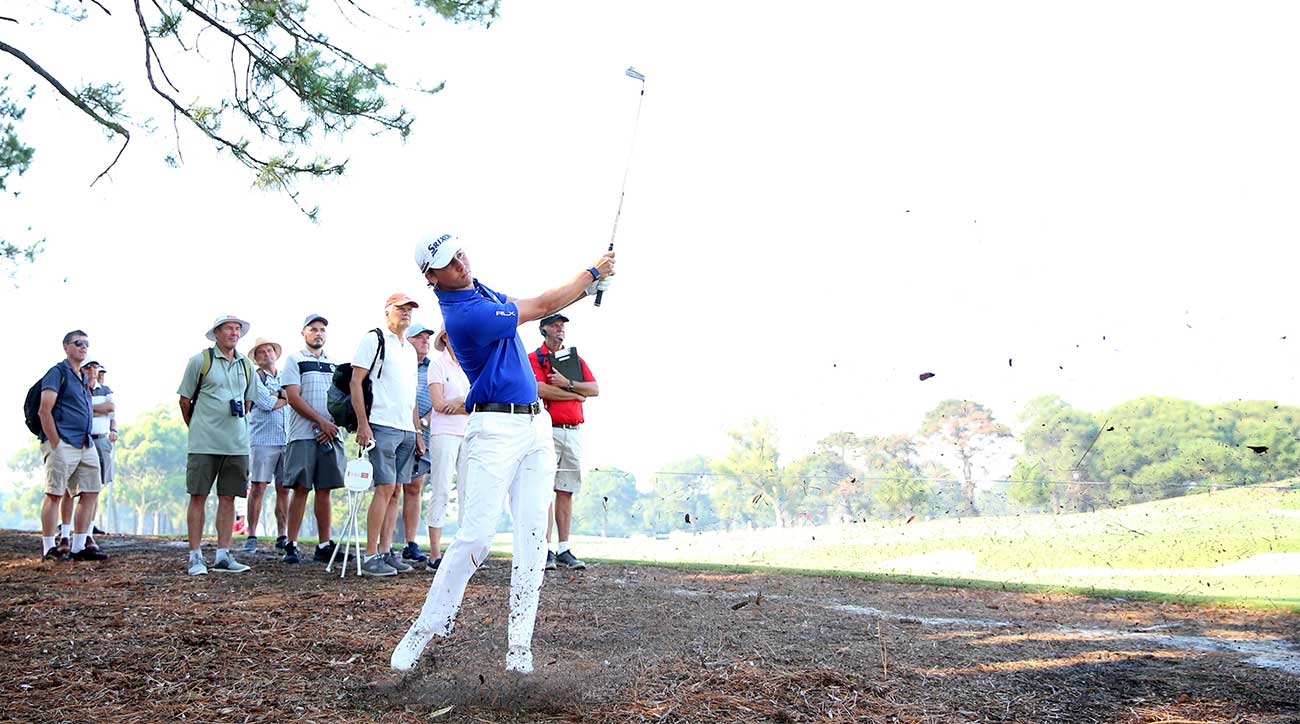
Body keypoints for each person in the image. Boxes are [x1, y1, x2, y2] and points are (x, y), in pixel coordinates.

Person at [391, 231, 613, 674]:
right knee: (475, 538)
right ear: (431, 276)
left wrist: (588, 287)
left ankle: (519, 652)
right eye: (448, 262)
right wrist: (592, 272)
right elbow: (541, 307)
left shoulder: (480, 289)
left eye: (459, 252)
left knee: (533, 539)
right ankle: (424, 629)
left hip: (535, 426)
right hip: (493, 429)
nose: (460, 263)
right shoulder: (465, 315)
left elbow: (537, 299)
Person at [351, 294, 424, 577]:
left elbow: (411, 395)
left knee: (395, 490)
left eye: (409, 309)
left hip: (406, 428)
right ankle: (370, 555)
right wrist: (362, 424)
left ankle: (385, 551)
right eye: (400, 309)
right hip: (381, 424)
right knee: (384, 488)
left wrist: (417, 430)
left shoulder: (409, 350)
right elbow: (356, 381)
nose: (405, 313)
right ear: (387, 312)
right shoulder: (374, 339)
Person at [178, 315, 256, 575]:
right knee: (198, 496)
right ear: (217, 333)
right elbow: (185, 401)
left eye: (237, 329)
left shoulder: (246, 364)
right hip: (204, 442)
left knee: (229, 498)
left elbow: (248, 402)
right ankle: (195, 555)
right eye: (229, 329)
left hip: (236, 444)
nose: (234, 333)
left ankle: (223, 554)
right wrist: (198, 427)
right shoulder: (200, 361)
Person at [530, 313, 599, 571]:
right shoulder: (534, 358)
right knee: (545, 488)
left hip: (573, 431)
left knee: (566, 489)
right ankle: (545, 548)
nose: (560, 329)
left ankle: (564, 548)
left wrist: (569, 384)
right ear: (544, 329)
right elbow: (539, 388)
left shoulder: (573, 359)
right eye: (555, 325)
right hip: (548, 429)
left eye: (562, 326)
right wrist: (576, 394)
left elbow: (594, 389)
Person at [35, 331, 109, 562]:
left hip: (84, 443)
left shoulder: (81, 376)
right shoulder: (57, 373)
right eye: (78, 343)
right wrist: (55, 443)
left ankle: (79, 545)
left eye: (86, 344)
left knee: (91, 491)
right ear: (66, 347)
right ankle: (49, 547)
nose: (83, 347)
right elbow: (44, 410)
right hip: (63, 442)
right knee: (55, 493)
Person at [279, 314, 346, 564]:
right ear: (303, 333)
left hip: (328, 434)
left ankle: (324, 544)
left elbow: (342, 399)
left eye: (322, 330)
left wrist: (332, 424)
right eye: (313, 329)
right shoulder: (294, 359)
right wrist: (321, 422)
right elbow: (293, 398)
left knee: (324, 489)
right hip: (303, 434)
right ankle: (291, 543)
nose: (318, 333)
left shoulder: (335, 364)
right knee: (301, 488)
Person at [423, 326, 471, 572]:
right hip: (444, 433)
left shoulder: (470, 365)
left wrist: (460, 404)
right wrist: (464, 404)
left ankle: (464, 556)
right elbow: (438, 404)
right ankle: (434, 553)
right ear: (445, 337)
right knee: (441, 489)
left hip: (469, 434)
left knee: (467, 492)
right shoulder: (438, 365)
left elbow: (479, 403)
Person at [245, 336, 290, 553]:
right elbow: (267, 403)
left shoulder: (285, 377)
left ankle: (283, 534)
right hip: (263, 440)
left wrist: (282, 395)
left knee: (284, 489)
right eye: (261, 352)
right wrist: (285, 397)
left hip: (286, 439)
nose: (266, 355)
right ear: (256, 358)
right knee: (258, 487)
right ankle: (252, 533)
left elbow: (293, 396)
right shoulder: (255, 379)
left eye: (269, 350)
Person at [399, 322, 435, 566]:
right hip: (399, 428)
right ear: (408, 341)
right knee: (390, 488)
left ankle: (411, 542)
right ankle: (383, 546)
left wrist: (422, 423)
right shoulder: (399, 364)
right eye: (419, 337)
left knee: (414, 487)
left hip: (426, 431)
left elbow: (439, 397)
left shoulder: (433, 368)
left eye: (427, 338)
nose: (425, 341)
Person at [87, 361, 117, 539]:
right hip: (84, 440)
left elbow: (111, 410)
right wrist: (98, 410)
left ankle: (90, 526)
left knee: (96, 485)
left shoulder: (105, 390)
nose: (100, 374)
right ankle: (68, 525)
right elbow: (77, 411)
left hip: (101, 439)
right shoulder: (82, 388)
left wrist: (88, 410)